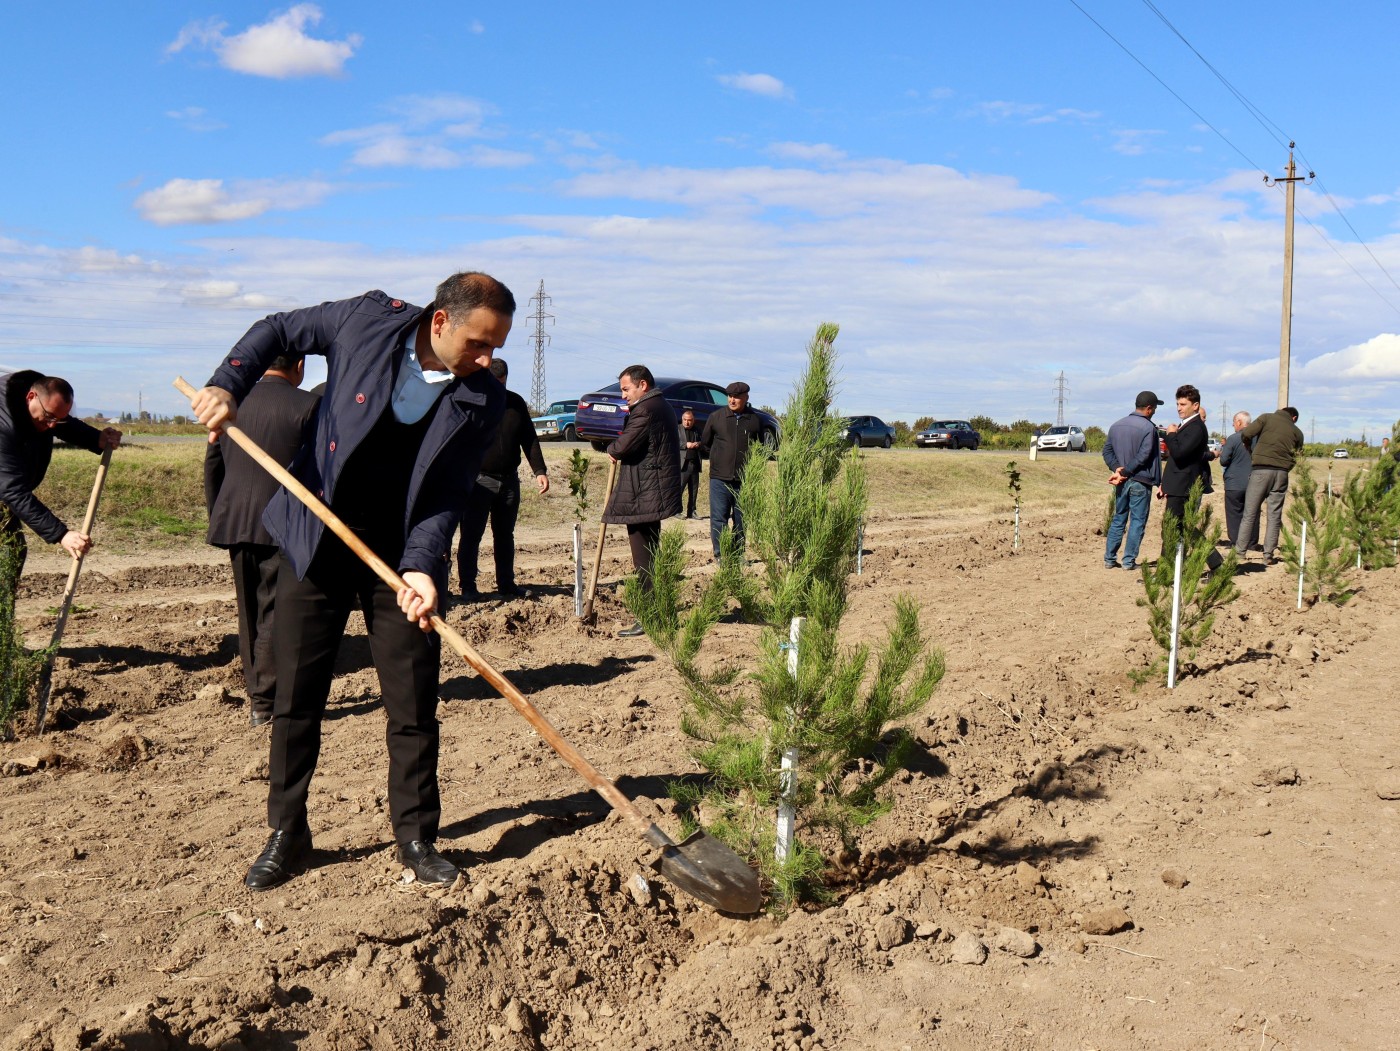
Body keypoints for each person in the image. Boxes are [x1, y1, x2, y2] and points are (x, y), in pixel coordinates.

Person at [190, 272, 515, 892]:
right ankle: (288, 831)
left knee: (414, 699)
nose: (486, 358)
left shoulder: (483, 399)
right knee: (298, 696)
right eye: (478, 342)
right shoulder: (364, 321)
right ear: (440, 321)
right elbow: (278, 329)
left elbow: (448, 492)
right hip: (316, 536)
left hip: (399, 558)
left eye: (496, 347)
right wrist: (226, 384)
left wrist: (422, 563)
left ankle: (416, 835)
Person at [204, 355, 320, 728]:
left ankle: (258, 693)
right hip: (283, 523)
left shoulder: (231, 402)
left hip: (235, 519)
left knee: (249, 609)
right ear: (299, 364)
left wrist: (219, 513)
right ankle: (265, 700)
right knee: (274, 609)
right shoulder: (309, 406)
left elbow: (212, 463)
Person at [0, 371, 121, 580]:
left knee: (12, 552)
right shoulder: (4, 424)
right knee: (8, 553)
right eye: (48, 418)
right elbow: (12, 489)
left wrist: (97, 438)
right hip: (5, 488)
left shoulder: (39, 402)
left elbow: (63, 423)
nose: (52, 426)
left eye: (58, 420)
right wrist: (61, 534)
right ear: (30, 398)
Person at [456, 358, 549, 600]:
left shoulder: (515, 403)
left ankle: (506, 584)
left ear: (506, 380)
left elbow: (529, 438)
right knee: (471, 535)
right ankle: (468, 587)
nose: (497, 387)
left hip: (509, 481)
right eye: (493, 382)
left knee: (505, 535)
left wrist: (539, 471)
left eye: (502, 383)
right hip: (478, 481)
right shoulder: (474, 400)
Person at [601, 365, 680, 638]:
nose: (623, 395)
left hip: (643, 494)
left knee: (644, 560)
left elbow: (624, 446)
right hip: (651, 490)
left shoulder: (645, 410)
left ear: (642, 385)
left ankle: (649, 618)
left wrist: (612, 448)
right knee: (652, 557)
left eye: (626, 389)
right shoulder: (662, 406)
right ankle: (660, 613)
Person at [1159, 384, 1222, 572]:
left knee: (1172, 528)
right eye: (1178, 404)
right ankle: (1214, 562)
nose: (1179, 408)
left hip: (1183, 485)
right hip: (1177, 484)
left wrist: (1170, 435)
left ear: (1195, 406)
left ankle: (1167, 572)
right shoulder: (1188, 425)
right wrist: (1165, 484)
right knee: (1180, 527)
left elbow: (1179, 454)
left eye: (1183, 404)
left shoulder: (1196, 427)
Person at [699, 381, 763, 560]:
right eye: (730, 396)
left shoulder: (755, 420)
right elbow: (705, 444)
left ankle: (738, 554)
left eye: (736, 397)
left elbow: (760, 448)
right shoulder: (716, 417)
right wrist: (719, 460)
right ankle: (721, 555)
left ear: (746, 398)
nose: (732, 400)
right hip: (719, 478)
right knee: (719, 520)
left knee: (741, 520)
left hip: (745, 480)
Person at [1234, 406, 1305, 566]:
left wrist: (1249, 447)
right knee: (1274, 516)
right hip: (1281, 474)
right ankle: (1268, 555)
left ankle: (1240, 553)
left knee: (1250, 513)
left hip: (1260, 471)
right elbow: (1298, 456)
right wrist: (1286, 467)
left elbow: (1246, 433)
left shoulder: (1266, 418)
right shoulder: (1297, 432)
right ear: (1293, 418)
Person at [1101, 391, 1163, 570]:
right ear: (1149, 408)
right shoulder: (1149, 428)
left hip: (1121, 481)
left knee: (1119, 518)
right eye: (1155, 408)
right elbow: (1144, 455)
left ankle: (1109, 559)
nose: (1155, 411)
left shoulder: (1116, 425)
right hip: (1140, 481)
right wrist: (1126, 471)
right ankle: (1128, 561)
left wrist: (1117, 469)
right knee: (1137, 521)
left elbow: (1107, 452)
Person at [1217, 411, 1259, 551]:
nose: (1233, 425)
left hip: (1234, 483)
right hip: (1254, 482)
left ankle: (1236, 541)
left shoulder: (1234, 438)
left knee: (1234, 513)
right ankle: (1252, 542)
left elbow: (1223, 461)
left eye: (1234, 423)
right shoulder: (1258, 438)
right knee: (1252, 512)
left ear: (1240, 422)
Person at [678, 408, 702, 519]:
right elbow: (672, 443)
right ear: (682, 419)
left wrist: (698, 444)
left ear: (693, 420)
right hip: (683, 464)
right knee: (680, 488)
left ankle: (692, 511)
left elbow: (704, 441)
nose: (687, 422)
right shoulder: (677, 429)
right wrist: (685, 445)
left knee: (694, 489)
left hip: (695, 463)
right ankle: (677, 511)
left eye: (690, 420)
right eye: (685, 420)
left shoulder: (697, 430)